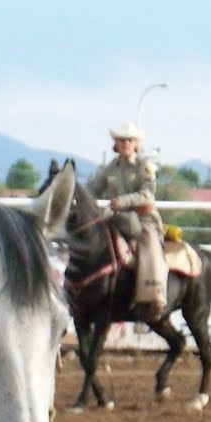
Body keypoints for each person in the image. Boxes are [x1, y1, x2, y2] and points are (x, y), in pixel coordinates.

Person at [87, 124, 168, 315]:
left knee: (151, 250)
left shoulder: (143, 166)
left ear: (136, 143)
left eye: (129, 140)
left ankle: (154, 297)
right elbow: (93, 189)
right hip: (116, 217)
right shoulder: (110, 168)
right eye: (122, 140)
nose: (126, 143)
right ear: (116, 143)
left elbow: (147, 194)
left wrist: (122, 201)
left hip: (143, 218)